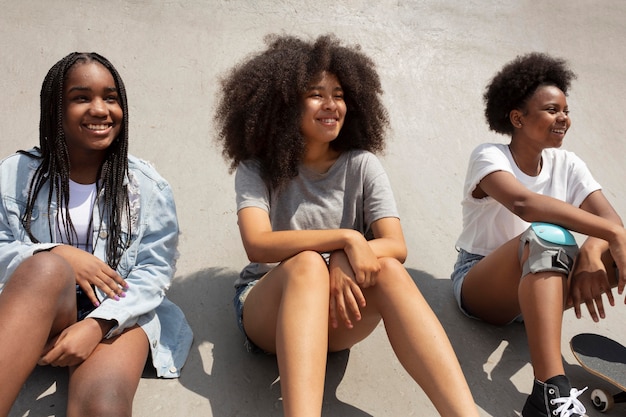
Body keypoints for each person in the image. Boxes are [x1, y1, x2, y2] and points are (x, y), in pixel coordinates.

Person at [214, 34, 480, 417]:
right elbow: (257, 244)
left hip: (336, 316)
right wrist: (345, 239)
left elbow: (395, 246)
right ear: (283, 102)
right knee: (306, 264)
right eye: (316, 94)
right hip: (267, 310)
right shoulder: (256, 168)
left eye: (338, 94)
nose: (331, 105)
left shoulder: (362, 165)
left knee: (387, 269)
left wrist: (344, 256)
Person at [0, 52, 193, 417]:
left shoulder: (148, 187)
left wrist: (97, 324)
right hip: (36, 302)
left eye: (110, 97)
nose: (100, 109)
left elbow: (154, 272)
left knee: (103, 405)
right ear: (56, 108)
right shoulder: (14, 174)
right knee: (48, 269)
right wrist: (59, 253)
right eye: (81, 97)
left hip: (116, 311)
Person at [451, 52, 626, 417]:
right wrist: (606, 232)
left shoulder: (569, 164)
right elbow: (523, 204)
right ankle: (549, 391)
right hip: (484, 285)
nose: (563, 118)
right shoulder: (489, 157)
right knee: (547, 236)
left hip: (546, 285)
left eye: (566, 109)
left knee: (610, 247)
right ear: (518, 118)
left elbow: (613, 224)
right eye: (551, 110)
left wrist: (595, 250)